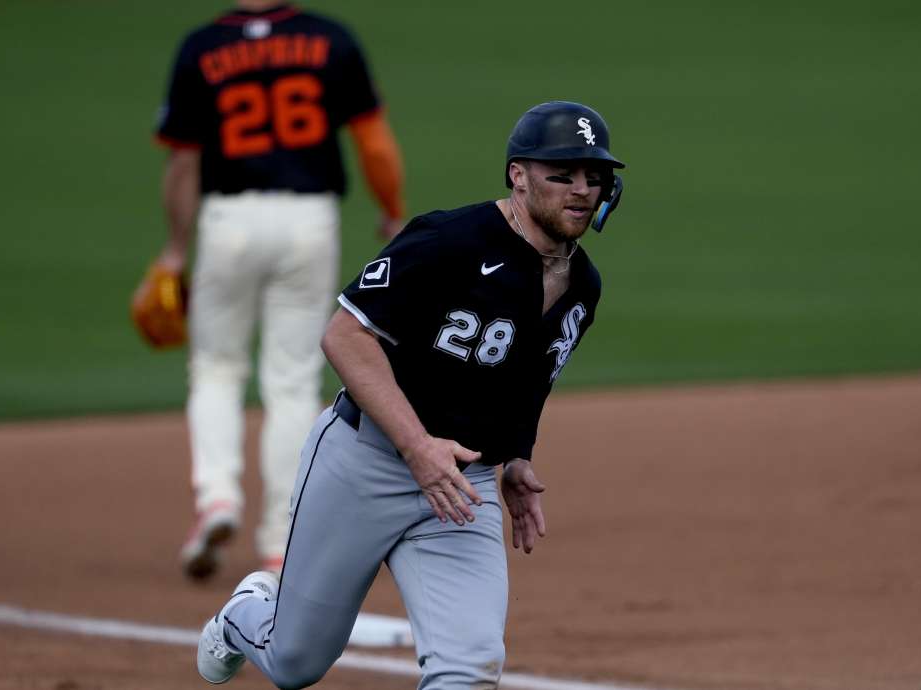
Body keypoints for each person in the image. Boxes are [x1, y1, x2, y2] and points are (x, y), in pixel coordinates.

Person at [195, 100, 626, 689]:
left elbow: (530, 378)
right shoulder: (448, 240)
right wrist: (417, 446)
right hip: (363, 462)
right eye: (562, 174)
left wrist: (518, 456)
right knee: (296, 663)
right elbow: (345, 337)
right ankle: (245, 612)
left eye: (593, 176)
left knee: (469, 667)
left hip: (459, 487)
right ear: (518, 176)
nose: (581, 190)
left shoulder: (583, 284)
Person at [148, 1, 406, 580]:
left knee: (216, 368)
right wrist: (391, 209)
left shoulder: (202, 48)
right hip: (309, 224)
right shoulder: (330, 39)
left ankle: (217, 498)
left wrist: (172, 250)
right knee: (290, 381)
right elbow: (374, 143)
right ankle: (279, 540)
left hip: (228, 223)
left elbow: (184, 164)